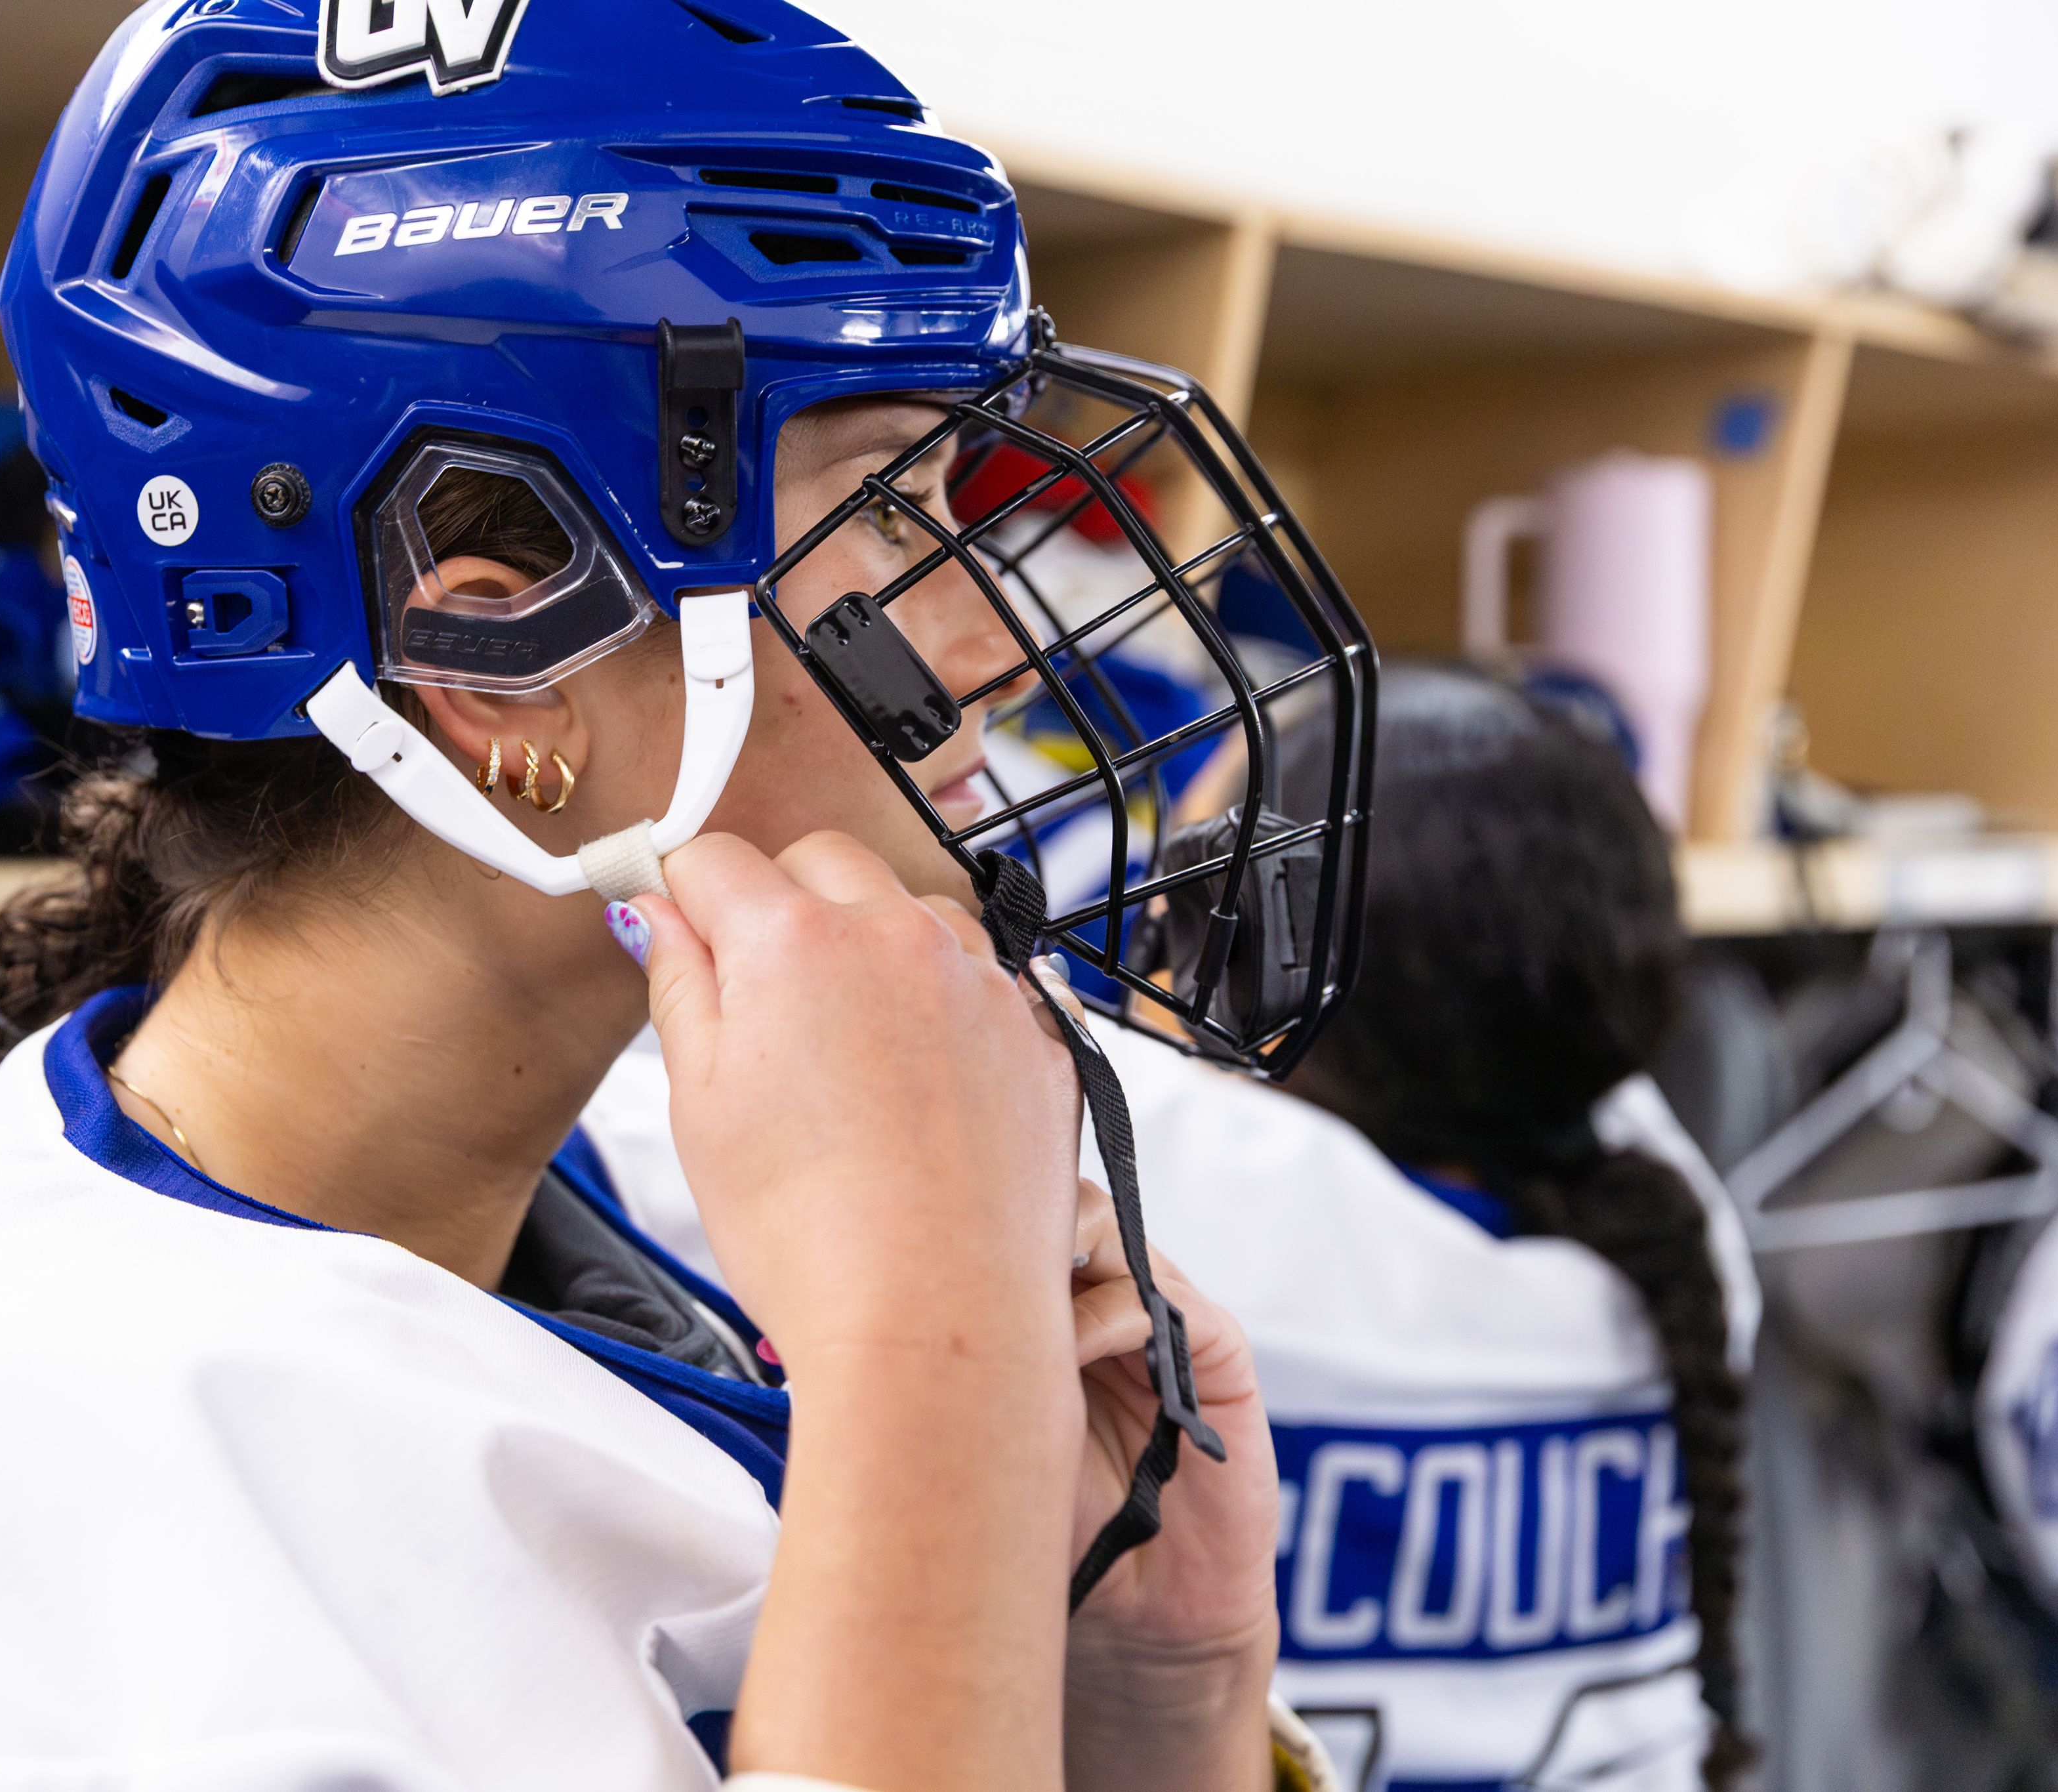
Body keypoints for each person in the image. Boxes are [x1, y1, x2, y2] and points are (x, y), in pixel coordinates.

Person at [0, 3, 1376, 1789]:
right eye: (887, 507)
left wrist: (1156, 1693)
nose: (993, 639)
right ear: (495, 646)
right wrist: (930, 1386)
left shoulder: (618, 1220)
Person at [591, 663, 1763, 1791]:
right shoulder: (1673, 1224)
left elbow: (619, 1126)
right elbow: (1535, 970)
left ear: (1263, 961)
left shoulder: (1187, 1179)